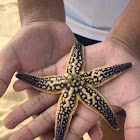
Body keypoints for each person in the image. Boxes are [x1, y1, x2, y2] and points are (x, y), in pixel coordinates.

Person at [1, 0, 140, 139]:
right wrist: (41, 15)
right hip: (67, 24)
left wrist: (127, 42)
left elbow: (47, 83)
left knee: (120, 109)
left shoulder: (66, 82)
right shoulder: (85, 78)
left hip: (135, 34)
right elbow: (42, 82)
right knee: (110, 110)